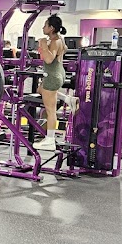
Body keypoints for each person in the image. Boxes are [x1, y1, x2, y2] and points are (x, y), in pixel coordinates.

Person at [34, 14, 68, 150]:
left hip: (53, 76)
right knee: (40, 89)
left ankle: (50, 140)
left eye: (45, 25)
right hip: (58, 73)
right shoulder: (60, 39)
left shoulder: (54, 41)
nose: (43, 28)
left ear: (51, 28)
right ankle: (68, 99)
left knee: (50, 110)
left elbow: (49, 59)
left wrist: (43, 44)